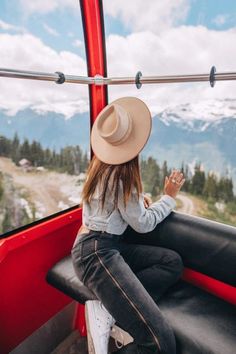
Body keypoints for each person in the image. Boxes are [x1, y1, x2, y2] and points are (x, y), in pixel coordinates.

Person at [71, 97, 185, 354]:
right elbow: (143, 224)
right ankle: (113, 304)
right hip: (98, 254)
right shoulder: (123, 177)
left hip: (100, 247)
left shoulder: (99, 167)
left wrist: (137, 203)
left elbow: (110, 210)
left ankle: (109, 305)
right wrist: (169, 197)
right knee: (160, 343)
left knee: (171, 262)